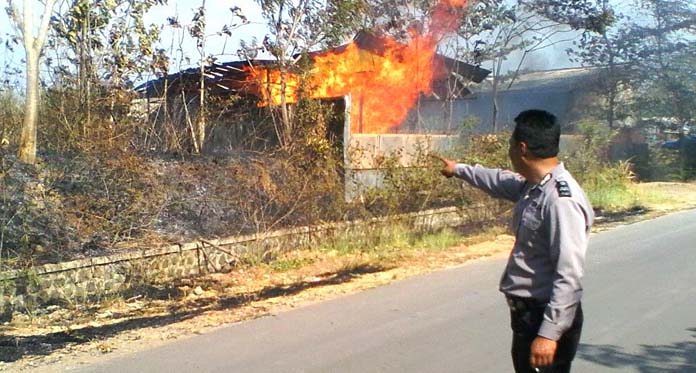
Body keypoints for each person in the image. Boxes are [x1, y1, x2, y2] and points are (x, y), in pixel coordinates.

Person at [437, 109, 593, 373]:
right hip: (527, 317)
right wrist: (459, 170)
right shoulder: (535, 186)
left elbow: (569, 275)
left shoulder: (561, 201)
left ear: (522, 148)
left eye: (510, 144)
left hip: (542, 317)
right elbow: (500, 180)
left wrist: (548, 335)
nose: (508, 150)